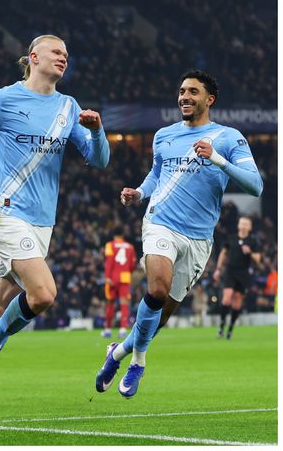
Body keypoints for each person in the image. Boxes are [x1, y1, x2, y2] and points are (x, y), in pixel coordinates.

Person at [0, 34, 110, 423]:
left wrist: (98, 129)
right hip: (4, 213)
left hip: (42, 223)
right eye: (56, 52)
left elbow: (99, 161)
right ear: (34, 57)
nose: (63, 58)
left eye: (67, 54)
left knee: (1, 307)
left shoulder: (68, 107)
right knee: (44, 293)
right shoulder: (3, 99)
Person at [95, 69, 263, 398]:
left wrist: (216, 159)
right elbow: (157, 175)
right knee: (156, 291)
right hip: (161, 222)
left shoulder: (228, 138)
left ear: (209, 99)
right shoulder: (163, 135)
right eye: (182, 91)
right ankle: (138, 361)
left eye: (193, 92)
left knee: (162, 314)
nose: (184, 96)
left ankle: (117, 353)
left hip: (199, 238)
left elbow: (254, 185)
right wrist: (140, 194)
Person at [213, 216, 261, 339]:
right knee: (226, 298)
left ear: (250, 228)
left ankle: (230, 329)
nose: (244, 226)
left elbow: (258, 260)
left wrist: (250, 252)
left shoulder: (253, 242)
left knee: (237, 301)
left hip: (244, 273)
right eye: (242, 223)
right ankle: (222, 325)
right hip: (230, 271)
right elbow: (223, 253)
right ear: (238, 225)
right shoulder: (231, 238)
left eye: (246, 224)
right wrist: (218, 269)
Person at [102, 227, 136, 338]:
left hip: (113, 277)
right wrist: (127, 272)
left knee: (110, 303)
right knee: (124, 303)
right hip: (125, 277)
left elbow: (109, 261)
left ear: (113, 235)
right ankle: (122, 329)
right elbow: (132, 264)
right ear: (123, 235)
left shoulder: (110, 245)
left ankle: (107, 329)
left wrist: (107, 276)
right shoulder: (130, 247)